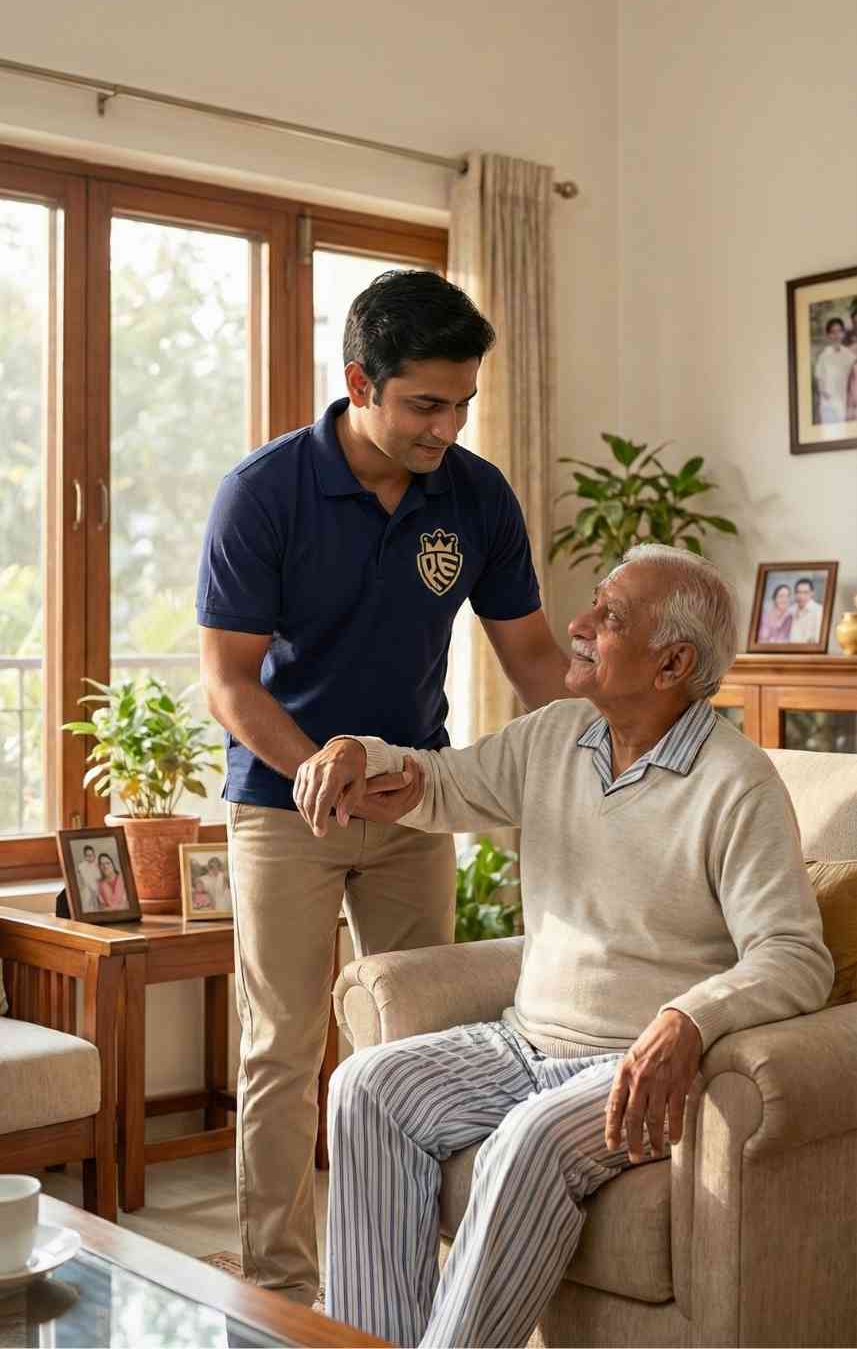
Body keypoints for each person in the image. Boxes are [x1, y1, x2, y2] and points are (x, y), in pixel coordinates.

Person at [294, 544, 833, 1349]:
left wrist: (688, 1019)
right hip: (523, 1041)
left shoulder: (736, 784)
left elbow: (794, 956)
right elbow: (436, 783)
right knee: (365, 1086)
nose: (576, 626)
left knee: (526, 1141)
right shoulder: (555, 736)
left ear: (671, 663)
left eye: (609, 618)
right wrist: (355, 753)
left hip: (626, 1066)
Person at [196, 269, 571, 1303]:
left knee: (425, 1039)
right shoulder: (263, 493)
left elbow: (532, 656)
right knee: (284, 1041)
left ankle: (411, 1270)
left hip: (414, 799)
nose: (444, 427)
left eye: (459, 404)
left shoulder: (475, 494)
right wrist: (309, 761)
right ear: (358, 381)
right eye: (423, 404)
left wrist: (602, 755)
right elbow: (229, 678)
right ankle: (277, 1285)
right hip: (284, 806)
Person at [813, 317, 856, 424]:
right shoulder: (824, 355)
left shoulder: (848, 354)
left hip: (843, 403)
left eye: (839, 331)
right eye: (833, 332)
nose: (836, 335)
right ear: (828, 335)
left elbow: (854, 374)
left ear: (843, 333)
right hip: (828, 404)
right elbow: (819, 378)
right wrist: (824, 394)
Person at [789, 576, 824, 644]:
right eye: (798, 592)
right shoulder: (790, 610)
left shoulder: (819, 611)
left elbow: (818, 640)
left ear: (812, 593)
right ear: (795, 594)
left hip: (808, 652)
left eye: (805, 592)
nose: (801, 596)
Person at [76, 844, 101, 911]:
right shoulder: (82, 866)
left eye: (92, 855)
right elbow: (84, 880)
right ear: (85, 856)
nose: (90, 857)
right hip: (87, 890)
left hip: (98, 889)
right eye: (88, 856)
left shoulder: (97, 864)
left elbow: (99, 878)